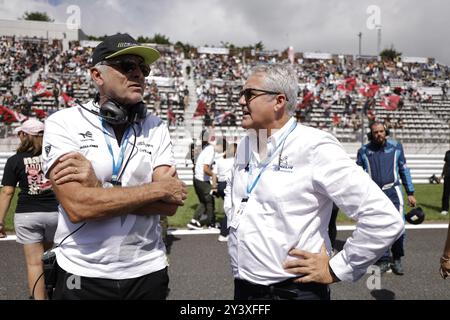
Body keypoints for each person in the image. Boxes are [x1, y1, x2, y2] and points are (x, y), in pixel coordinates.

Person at [224, 64, 404, 300]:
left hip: (294, 292)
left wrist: (336, 268)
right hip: (245, 290)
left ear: (279, 102)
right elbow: (234, 193)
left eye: (249, 94)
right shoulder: (245, 144)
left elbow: (383, 218)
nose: (240, 101)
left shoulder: (315, 146)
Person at [41, 33, 187, 300]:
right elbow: (78, 207)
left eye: (143, 69)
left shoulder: (155, 126)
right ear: (97, 75)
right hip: (82, 272)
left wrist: (99, 188)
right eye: (128, 66)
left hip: (148, 270)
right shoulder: (63, 123)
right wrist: (154, 189)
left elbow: (170, 203)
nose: (139, 74)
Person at [0, 119, 59, 300]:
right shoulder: (55, 157)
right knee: (50, 259)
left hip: (27, 214)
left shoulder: (15, 160)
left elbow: (7, 192)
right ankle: (52, 291)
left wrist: (0, 220)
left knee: (35, 264)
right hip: (55, 214)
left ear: (24, 135)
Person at [357, 121, 417, 275]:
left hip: (394, 191)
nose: (379, 134)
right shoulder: (363, 151)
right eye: (375, 132)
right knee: (378, 227)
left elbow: (404, 168)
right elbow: (357, 174)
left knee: (399, 226)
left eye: (381, 131)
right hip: (374, 193)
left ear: (386, 132)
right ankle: (383, 259)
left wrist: (410, 192)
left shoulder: (396, 147)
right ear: (371, 134)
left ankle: (397, 258)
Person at [187, 132, 216, 230]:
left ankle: (194, 220)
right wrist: (215, 175)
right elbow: (205, 169)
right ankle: (206, 223)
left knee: (203, 202)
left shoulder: (202, 149)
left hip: (196, 178)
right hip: (202, 179)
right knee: (210, 202)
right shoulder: (210, 149)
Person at [212, 142, 237, 242]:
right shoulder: (234, 160)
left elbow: (214, 174)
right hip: (229, 185)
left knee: (228, 207)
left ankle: (227, 228)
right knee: (230, 209)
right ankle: (224, 233)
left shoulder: (219, 160)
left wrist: (214, 186)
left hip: (220, 185)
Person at [440, 149, 450, 215]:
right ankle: (445, 209)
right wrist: (442, 174)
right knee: (446, 193)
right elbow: (446, 164)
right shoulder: (447, 153)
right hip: (448, 175)